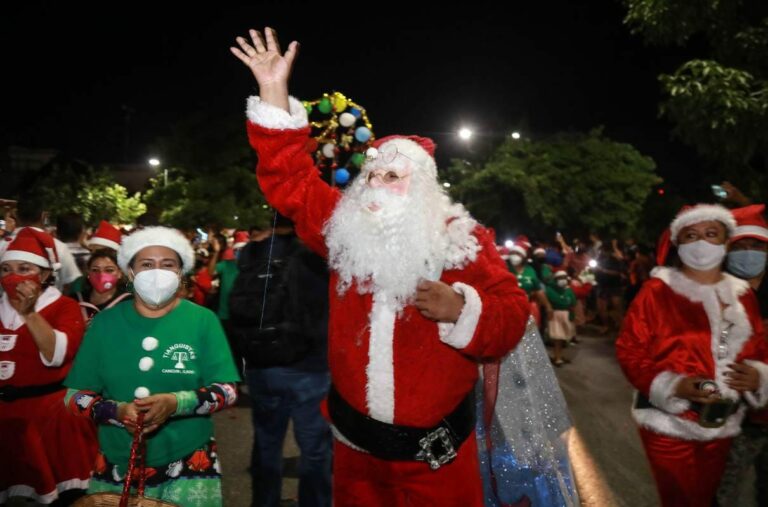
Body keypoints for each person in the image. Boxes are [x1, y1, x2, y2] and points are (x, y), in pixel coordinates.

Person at [231, 27, 530, 506]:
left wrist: (461, 307)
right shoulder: (344, 231)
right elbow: (290, 179)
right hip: (355, 458)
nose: (376, 183)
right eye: (371, 174)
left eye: (393, 175)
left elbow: (513, 315)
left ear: (422, 189)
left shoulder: (462, 241)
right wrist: (273, 91)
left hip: (438, 463)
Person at [64, 226, 241, 505]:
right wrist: (116, 411)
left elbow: (227, 391)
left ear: (181, 273)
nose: (157, 272)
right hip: (116, 460)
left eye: (167, 264)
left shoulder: (203, 321)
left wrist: (176, 403)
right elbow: (74, 397)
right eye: (146, 264)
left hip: (189, 459)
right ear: (130, 272)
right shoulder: (104, 324)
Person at [616, 204, 768, 507]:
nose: (701, 243)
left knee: (705, 497)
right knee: (681, 499)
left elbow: (758, 348)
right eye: (691, 235)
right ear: (677, 243)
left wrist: (758, 375)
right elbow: (629, 349)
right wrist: (671, 385)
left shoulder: (743, 295)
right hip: (669, 423)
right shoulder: (656, 292)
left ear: (726, 242)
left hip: (723, 422)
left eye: (711, 234)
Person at [232, 220, 332, 507]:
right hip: (309, 367)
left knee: (266, 443)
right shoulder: (318, 253)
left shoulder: (251, 252)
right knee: (314, 449)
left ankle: (264, 502)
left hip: (262, 363)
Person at [0, 228, 97, 505]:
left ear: (43, 275)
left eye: (24, 268)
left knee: (57, 497)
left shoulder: (64, 307)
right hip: (5, 420)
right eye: (6, 269)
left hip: (48, 418)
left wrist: (28, 313)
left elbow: (56, 354)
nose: (13, 276)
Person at [718, 204, 768, 506]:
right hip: (726, 422)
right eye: (742, 246)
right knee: (720, 495)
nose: (749, 253)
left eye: (757, 246)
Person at [0, 198, 82, 294]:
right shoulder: (59, 247)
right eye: (7, 269)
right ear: (44, 216)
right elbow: (71, 282)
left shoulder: (2, 245)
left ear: (15, 214)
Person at [73, 248, 132, 325]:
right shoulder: (75, 300)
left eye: (109, 270)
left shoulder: (129, 303)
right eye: (95, 270)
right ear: (88, 273)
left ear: (120, 273)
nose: (101, 275)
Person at [545, 270, 576, 366]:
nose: (562, 280)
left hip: (566, 315)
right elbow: (554, 301)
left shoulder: (568, 289)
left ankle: (559, 355)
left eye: (564, 278)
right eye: (560, 278)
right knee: (557, 338)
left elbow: (573, 302)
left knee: (563, 338)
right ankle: (557, 358)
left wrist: (572, 315)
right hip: (556, 315)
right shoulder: (550, 290)